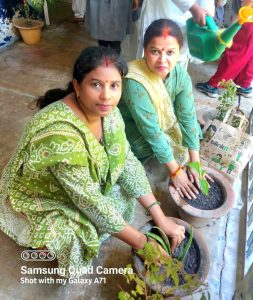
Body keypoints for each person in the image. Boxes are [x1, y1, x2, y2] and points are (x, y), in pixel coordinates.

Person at [0, 47, 185, 277]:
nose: (107, 95)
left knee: (122, 196)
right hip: (43, 191)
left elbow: (126, 161)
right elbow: (90, 201)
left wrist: (159, 216)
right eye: (96, 84)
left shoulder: (109, 112)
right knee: (70, 239)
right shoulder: (60, 137)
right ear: (77, 86)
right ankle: (37, 243)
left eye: (114, 85)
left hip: (80, 186)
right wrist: (143, 243)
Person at [119, 19, 212, 200]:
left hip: (159, 125)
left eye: (170, 52)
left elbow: (187, 117)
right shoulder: (133, 80)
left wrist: (195, 162)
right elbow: (151, 131)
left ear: (179, 52)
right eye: (155, 51)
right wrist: (176, 171)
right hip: (132, 130)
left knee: (186, 144)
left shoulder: (180, 75)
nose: (163, 60)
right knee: (154, 154)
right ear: (144, 50)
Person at [122, 0, 214, 66]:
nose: (162, 60)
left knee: (176, 62)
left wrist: (207, 15)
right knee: (150, 63)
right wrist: (194, 8)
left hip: (187, 22)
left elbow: (207, 4)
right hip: (161, 12)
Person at [196, 0, 253, 98]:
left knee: (235, 52)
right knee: (250, 53)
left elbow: (248, 3)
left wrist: (233, 26)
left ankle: (213, 86)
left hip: (248, 17)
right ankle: (244, 84)